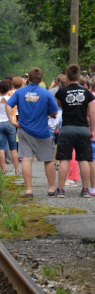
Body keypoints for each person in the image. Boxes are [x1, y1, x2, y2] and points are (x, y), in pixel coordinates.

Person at [5, 67, 59, 197]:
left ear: (28, 78)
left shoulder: (20, 92)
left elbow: (7, 105)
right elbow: (55, 111)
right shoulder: (45, 93)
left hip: (23, 130)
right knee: (49, 159)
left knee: (27, 160)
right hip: (42, 131)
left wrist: (12, 121)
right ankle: (51, 187)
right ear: (41, 79)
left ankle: (29, 189)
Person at [53, 64, 95, 198]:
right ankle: (85, 190)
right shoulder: (87, 92)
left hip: (67, 128)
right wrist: (92, 129)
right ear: (79, 76)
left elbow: (60, 105)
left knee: (64, 159)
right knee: (83, 160)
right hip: (83, 128)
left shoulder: (62, 91)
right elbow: (92, 112)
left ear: (66, 75)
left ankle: (60, 190)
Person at [0, 80, 20, 174]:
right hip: (10, 123)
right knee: (13, 147)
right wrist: (9, 89)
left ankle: (3, 170)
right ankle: (17, 170)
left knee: (1, 148)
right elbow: (13, 96)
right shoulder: (11, 98)